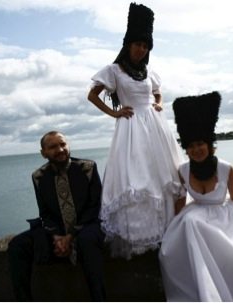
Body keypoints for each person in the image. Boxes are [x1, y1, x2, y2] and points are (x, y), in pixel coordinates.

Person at [159, 92, 233, 302]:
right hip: (195, 216)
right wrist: (169, 230)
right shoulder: (183, 170)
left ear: (208, 143)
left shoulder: (226, 169)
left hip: (223, 216)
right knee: (189, 222)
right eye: (191, 146)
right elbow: (180, 202)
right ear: (186, 149)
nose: (196, 149)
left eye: (200, 144)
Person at [87, 2, 184, 259]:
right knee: (136, 179)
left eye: (146, 46)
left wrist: (160, 104)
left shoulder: (148, 71)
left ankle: (168, 232)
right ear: (128, 44)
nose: (141, 50)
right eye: (138, 44)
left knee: (164, 176)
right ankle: (141, 236)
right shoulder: (114, 70)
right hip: (130, 130)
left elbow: (157, 92)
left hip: (155, 127)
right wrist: (114, 113)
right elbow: (92, 95)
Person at [7, 131, 106, 301]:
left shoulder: (87, 168)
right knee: (17, 245)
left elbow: (95, 206)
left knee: (87, 242)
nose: (60, 149)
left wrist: (71, 235)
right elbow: (44, 212)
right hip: (58, 231)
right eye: (53, 147)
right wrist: (57, 236)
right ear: (43, 153)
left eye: (63, 144)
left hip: (87, 225)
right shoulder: (38, 176)